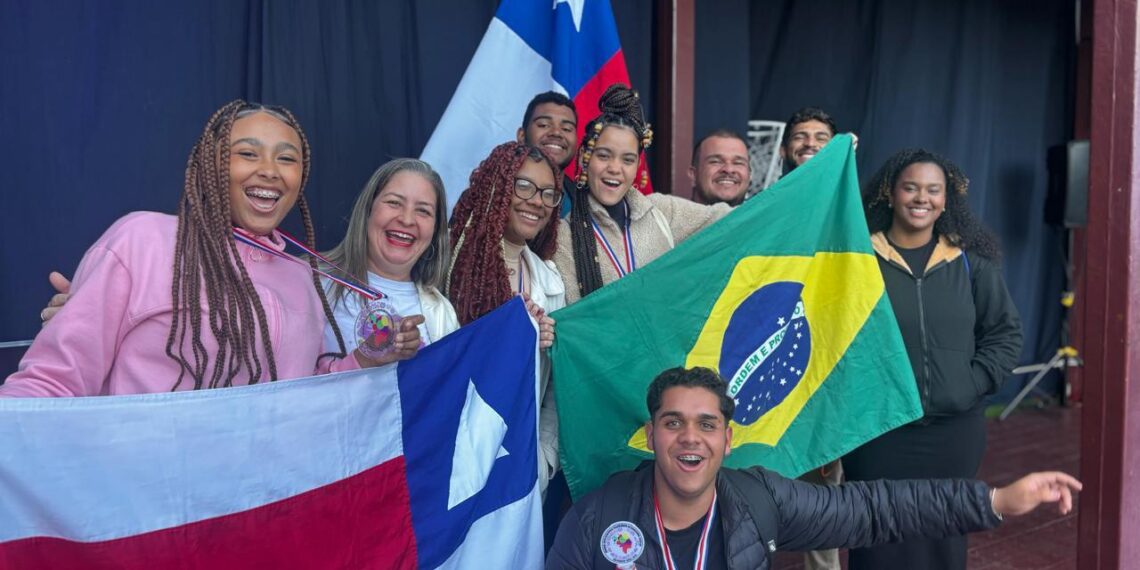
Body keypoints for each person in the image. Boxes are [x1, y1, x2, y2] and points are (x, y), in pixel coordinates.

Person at [4, 101, 420, 397]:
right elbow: (49, 383)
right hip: (142, 505)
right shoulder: (141, 241)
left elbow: (305, 389)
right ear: (211, 163)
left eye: (287, 159)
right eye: (247, 153)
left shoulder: (301, 277)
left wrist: (365, 357)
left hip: (252, 509)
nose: (269, 171)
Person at [546, 367, 1080, 569]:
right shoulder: (599, 518)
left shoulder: (759, 501)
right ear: (651, 434)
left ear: (728, 440)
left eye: (707, 425)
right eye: (674, 423)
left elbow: (873, 509)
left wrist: (995, 501)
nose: (691, 438)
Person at [843, 149, 1024, 569]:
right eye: (910, 187)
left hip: (953, 432)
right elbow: (835, 338)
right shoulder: (859, 261)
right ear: (890, 193)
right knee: (877, 536)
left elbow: (1004, 333)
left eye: (932, 190)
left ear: (946, 200)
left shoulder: (970, 265)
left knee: (944, 535)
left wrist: (972, 382)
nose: (920, 198)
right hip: (878, 430)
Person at [447, 141, 563, 495]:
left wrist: (543, 459)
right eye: (523, 185)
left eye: (548, 193)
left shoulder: (550, 280)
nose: (537, 201)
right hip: (452, 462)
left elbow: (553, 392)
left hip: (519, 470)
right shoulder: (450, 267)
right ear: (497, 188)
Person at [553, 84, 731, 304]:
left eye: (627, 160)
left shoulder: (662, 211)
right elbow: (572, 321)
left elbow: (732, 219)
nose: (615, 168)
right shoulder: (562, 236)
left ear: (638, 165)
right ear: (583, 157)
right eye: (604, 155)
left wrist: (785, 197)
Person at [320, 159, 458, 352]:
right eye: (394, 203)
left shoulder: (443, 313)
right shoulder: (314, 283)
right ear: (368, 210)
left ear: (435, 230)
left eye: (423, 211)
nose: (407, 219)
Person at [516, 91, 578, 218]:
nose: (556, 132)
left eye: (566, 129)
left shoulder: (584, 204)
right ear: (522, 136)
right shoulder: (495, 191)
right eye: (544, 125)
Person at [689, 130, 751, 206]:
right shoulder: (673, 216)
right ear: (693, 175)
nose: (729, 169)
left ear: (749, 175)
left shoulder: (764, 217)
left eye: (738, 163)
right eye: (716, 162)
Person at [779, 107, 838, 174]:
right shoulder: (772, 184)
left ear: (836, 151)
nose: (810, 143)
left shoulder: (848, 184)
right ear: (783, 150)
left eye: (821, 139)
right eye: (799, 137)